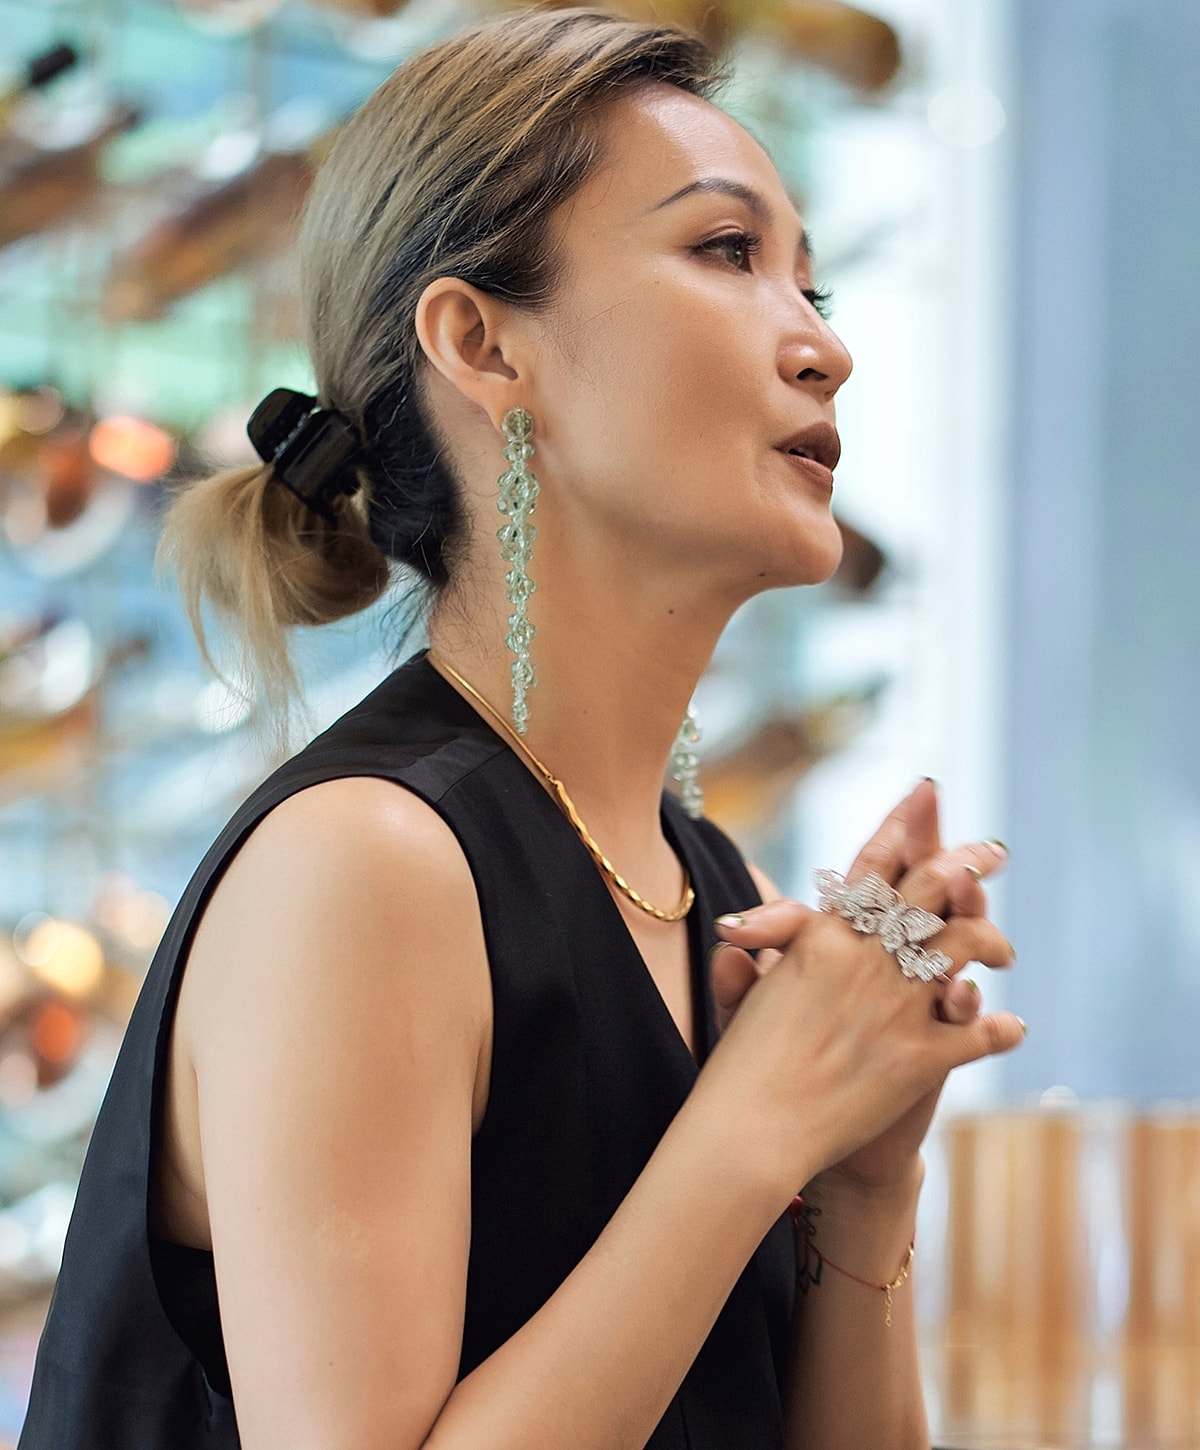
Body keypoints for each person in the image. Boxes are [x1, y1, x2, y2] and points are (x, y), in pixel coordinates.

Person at [19, 8, 1023, 1448]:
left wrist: (864, 1182)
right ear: (482, 344)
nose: (823, 348)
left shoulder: (711, 886)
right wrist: (754, 1128)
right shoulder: (366, 866)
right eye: (729, 252)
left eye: (818, 279)